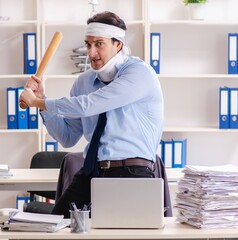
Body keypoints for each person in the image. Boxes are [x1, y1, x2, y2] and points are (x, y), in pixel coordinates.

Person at [19, 11, 164, 218]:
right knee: (55, 224)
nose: (92, 52)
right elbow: (67, 138)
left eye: (99, 44)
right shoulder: (84, 82)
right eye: (88, 44)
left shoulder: (140, 73)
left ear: (118, 44)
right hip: (91, 171)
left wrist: (39, 101)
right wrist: (42, 105)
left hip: (132, 172)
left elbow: (90, 105)